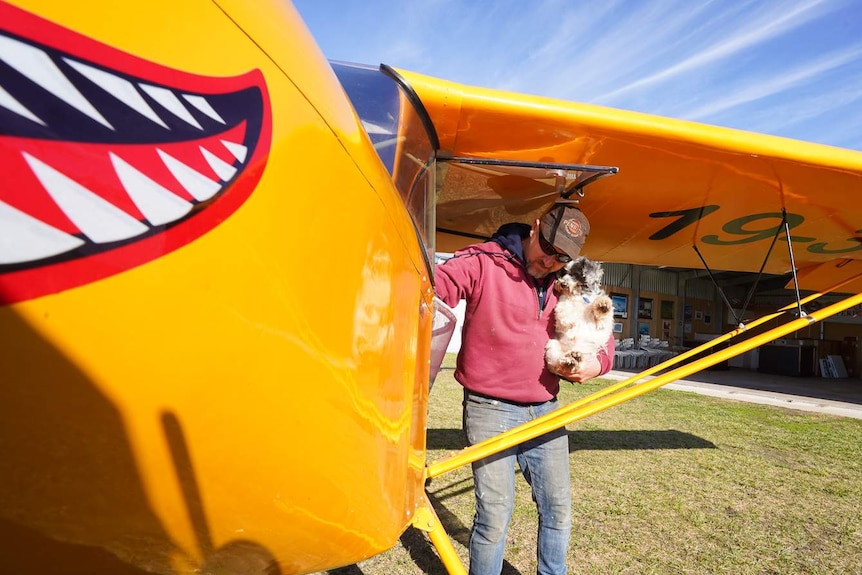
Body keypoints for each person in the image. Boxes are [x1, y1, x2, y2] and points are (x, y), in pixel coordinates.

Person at [434, 203, 615, 575]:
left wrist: (599, 364)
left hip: (545, 408)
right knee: (495, 515)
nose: (550, 261)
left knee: (558, 509)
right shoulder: (486, 260)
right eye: (547, 248)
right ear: (535, 228)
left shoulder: (571, 281)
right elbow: (434, 286)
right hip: (489, 408)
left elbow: (602, 325)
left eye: (561, 256)